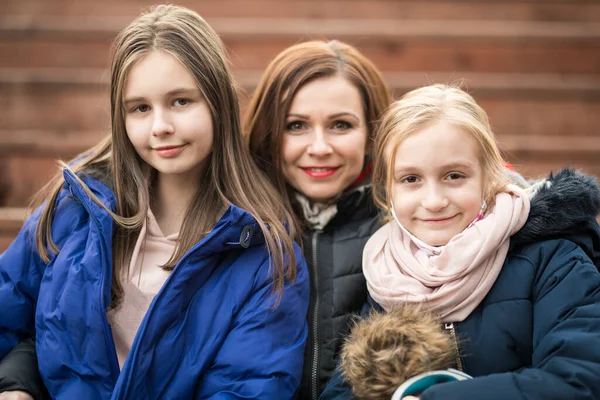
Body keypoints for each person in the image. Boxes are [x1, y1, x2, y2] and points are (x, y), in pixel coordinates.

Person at [0, 5, 309, 399]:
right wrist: (14, 385)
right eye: (141, 108)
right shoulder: (78, 205)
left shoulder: (264, 252)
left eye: (181, 101)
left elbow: (246, 388)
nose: (160, 126)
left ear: (218, 102)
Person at [321, 84, 600, 399]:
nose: (434, 200)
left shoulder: (554, 260)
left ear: (488, 177)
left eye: (454, 176)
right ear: (389, 189)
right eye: (410, 179)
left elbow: (580, 380)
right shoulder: (387, 274)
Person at [243, 40, 393, 399]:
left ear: (373, 135)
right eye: (296, 126)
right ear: (268, 133)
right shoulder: (235, 228)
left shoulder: (409, 226)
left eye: (341, 125)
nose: (320, 147)